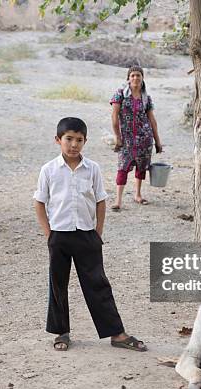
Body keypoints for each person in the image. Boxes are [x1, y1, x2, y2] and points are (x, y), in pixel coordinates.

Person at [34, 117, 147, 352]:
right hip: (59, 236)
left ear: (85, 142)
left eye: (79, 140)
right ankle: (61, 332)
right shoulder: (49, 170)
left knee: (98, 284)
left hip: (87, 236)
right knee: (58, 285)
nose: (74, 144)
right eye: (69, 139)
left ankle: (117, 333)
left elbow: (100, 201)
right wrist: (49, 235)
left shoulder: (92, 169)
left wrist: (97, 233)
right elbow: (40, 203)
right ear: (58, 140)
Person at [109, 66, 163, 211]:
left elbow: (152, 120)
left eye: (138, 75)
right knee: (122, 168)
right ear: (128, 78)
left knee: (141, 167)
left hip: (144, 138)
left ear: (142, 78)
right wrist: (117, 137)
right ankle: (118, 200)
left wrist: (157, 141)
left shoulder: (147, 98)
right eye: (132, 75)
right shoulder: (120, 94)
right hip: (126, 139)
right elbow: (114, 117)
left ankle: (138, 195)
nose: (135, 78)